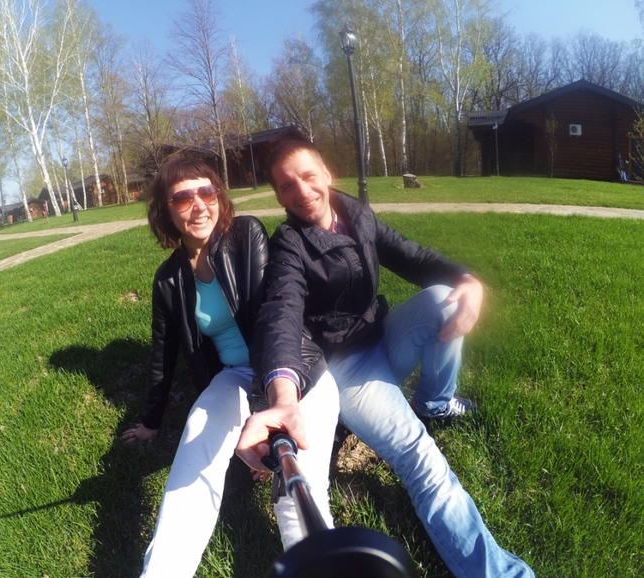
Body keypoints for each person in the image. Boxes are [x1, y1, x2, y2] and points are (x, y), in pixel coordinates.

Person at [236, 139, 535, 578]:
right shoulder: (290, 244)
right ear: (279, 196)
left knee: (445, 299)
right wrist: (283, 398)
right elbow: (280, 314)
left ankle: (433, 402)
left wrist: (468, 279)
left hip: (381, 335)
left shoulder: (355, 213)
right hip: (348, 368)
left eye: (308, 176)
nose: (302, 191)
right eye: (287, 185)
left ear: (327, 174)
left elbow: (411, 255)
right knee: (420, 458)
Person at [122, 157, 339, 578]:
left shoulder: (245, 235)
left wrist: (270, 415)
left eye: (207, 192)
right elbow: (162, 355)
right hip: (235, 377)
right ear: (165, 211)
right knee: (194, 446)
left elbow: (272, 322)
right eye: (182, 198)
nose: (198, 205)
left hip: (296, 371)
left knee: (298, 491)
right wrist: (151, 422)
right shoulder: (168, 280)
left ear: (219, 197)